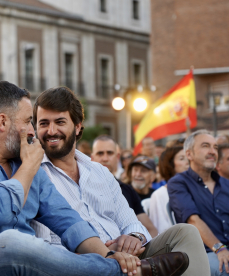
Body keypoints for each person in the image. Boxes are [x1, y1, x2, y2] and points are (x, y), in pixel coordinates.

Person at [0, 81, 189, 276]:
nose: (33, 131)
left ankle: (117, 269)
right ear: (3, 121)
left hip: (32, 268)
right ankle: (117, 273)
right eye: (29, 121)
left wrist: (111, 256)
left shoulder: (23, 163)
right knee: (13, 242)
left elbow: (68, 221)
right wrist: (29, 167)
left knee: (28, 244)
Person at [30, 86, 209, 276]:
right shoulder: (33, 173)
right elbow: (44, 246)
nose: (51, 131)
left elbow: (130, 221)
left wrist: (133, 238)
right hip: (81, 263)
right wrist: (104, 252)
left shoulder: (100, 172)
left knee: (186, 233)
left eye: (59, 122)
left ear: (77, 126)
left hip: (130, 256)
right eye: (43, 123)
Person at [168, 129, 229, 276]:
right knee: (223, 269)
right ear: (189, 154)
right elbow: (193, 221)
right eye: (205, 146)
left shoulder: (226, 184)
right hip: (205, 252)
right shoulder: (178, 183)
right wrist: (220, 248)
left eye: (215, 147)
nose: (212, 151)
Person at [91, 135, 158, 238]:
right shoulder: (81, 187)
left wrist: (140, 242)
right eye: (100, 153)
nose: (105, 158)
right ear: (92, 158)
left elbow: (150, 229)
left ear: (117, 157)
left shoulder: (127, 190)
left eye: (109, 153)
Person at [149, 146, 189, 233]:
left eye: (188, 157)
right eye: (182, 158)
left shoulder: (198, 189)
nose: (188, 162)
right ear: (170, 164)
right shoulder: (159, 194)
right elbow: (161, 232)